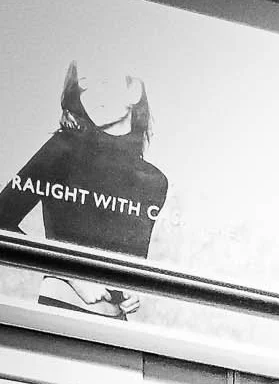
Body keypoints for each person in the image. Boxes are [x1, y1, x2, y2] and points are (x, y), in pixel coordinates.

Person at [0, 61, 169, 316]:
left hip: (114, 328)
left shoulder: (154, 181)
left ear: (134, 91)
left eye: (102, 83)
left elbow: (131, 264)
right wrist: (74, 276)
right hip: (59, 314)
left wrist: (134, 289)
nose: (92, 98)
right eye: (84, 87)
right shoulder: (62, 151)